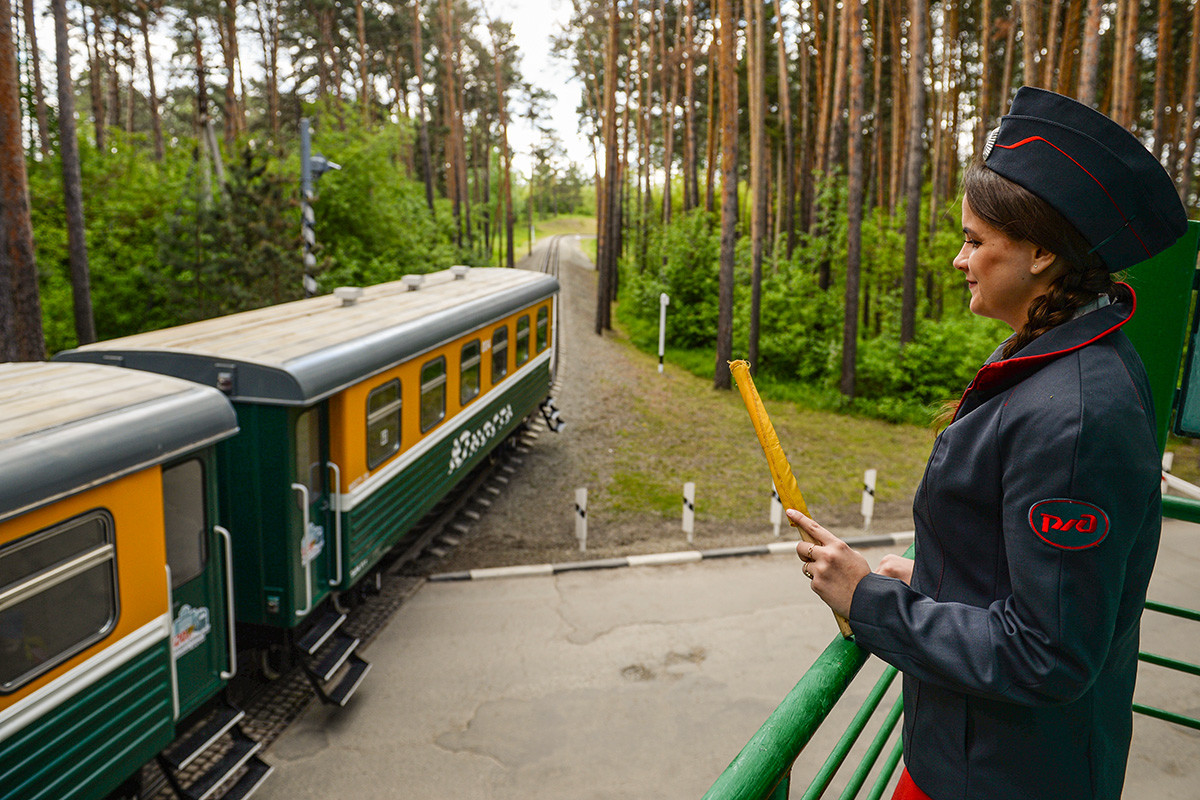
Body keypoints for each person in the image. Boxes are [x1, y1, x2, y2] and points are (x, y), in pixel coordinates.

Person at [788, 86, 1189, 800]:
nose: (957, 260)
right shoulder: (1067, 354)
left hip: (1003, 777)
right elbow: (1032, 579)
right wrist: (935, 585)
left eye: (974, 241)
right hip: (985, 761)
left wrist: (869, 602)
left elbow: (1048, 654)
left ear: (1040, 253)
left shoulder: (1074, 417)